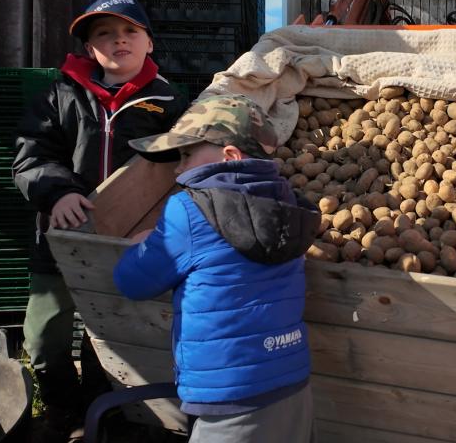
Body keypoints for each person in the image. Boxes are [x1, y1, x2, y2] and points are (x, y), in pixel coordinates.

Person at [13, 0, 188, 441]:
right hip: (61, 239)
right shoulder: (59, 95)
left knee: (111, 339)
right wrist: (57, 194)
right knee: (43, 339)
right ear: (90, 48)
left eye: (130, 31)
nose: (118, 40)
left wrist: (162, 225)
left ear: (149, 43)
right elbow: (32, 157)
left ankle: (101, 414)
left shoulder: (171, 103)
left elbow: (182, 171)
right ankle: (62, 411)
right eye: (105, 34)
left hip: (131, 246)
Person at [113, 94, 321, 443]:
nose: (177, 169)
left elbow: (132, 281)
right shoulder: (289, 203)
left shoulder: (188, 210)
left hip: (230, 394)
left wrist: (142, 243)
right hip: (292, 380)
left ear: (230, 157)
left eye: (186, 155)